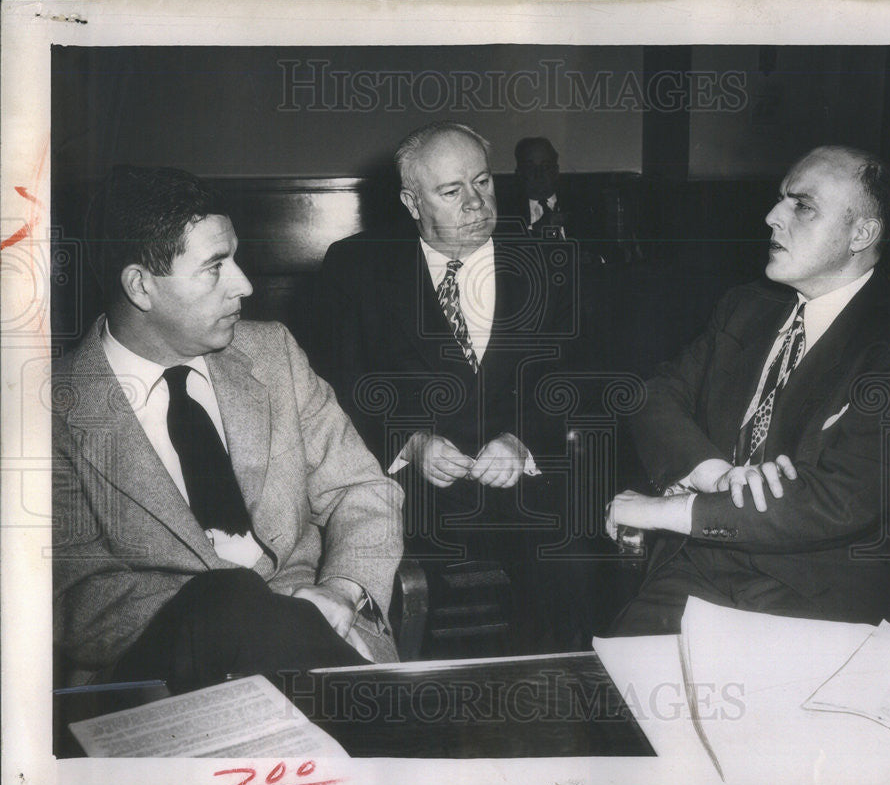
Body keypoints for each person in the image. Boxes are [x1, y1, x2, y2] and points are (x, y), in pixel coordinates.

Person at [53, 166, 404, 693]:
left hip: (326, 629)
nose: (244, 284)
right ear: (140, 286)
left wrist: (341, 589)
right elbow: (77, 600)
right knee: (230, 601)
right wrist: (249, 615)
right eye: (215, 267)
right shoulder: (49, 410)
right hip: (156, 677)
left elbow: (364, 489)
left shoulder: (273, 354)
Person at [605, 146, 890, 634]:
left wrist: (667, 510)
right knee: (622, 679)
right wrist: (714, 476)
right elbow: (655, 396)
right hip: (697, 566)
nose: (772, 216)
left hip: (811, 591)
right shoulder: (745, 307)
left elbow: (839, 498)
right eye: (779, 199)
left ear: (862, 234)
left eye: (802, 206)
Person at [307, 122, 594, 654]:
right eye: (451, 191)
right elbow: (338, 387)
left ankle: (547, 706)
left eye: (483, 182)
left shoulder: (551, 263)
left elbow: (575, 375)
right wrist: (410, 442)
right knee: (415, 616)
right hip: (410, 489)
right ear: (411, 202)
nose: (476, 203)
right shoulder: (356, 268)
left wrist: (521, 439)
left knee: (570, 574)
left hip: (525, 482)